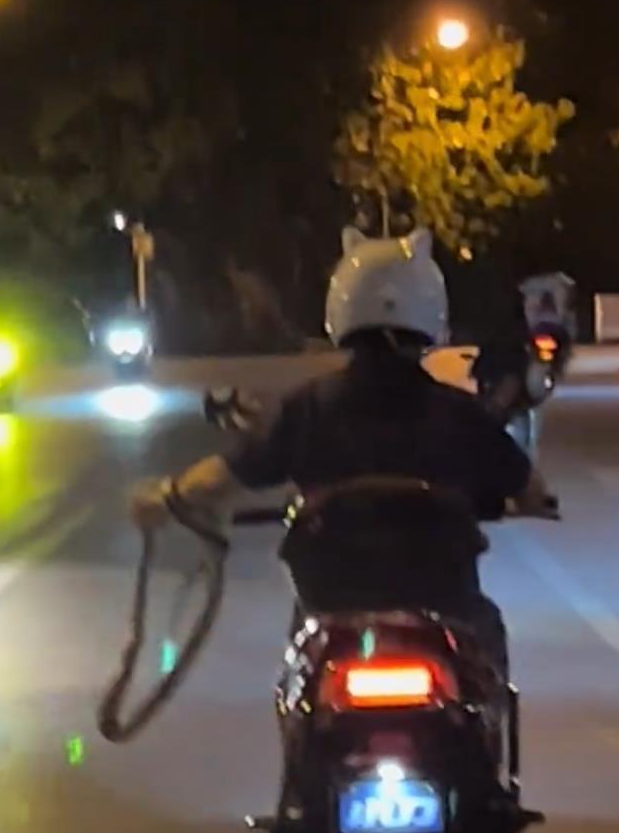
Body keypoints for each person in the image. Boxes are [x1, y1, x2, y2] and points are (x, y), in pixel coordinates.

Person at [132, 230, 555, 681]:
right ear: (432, 311)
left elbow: (223, 477)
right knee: (487, 645)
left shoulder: (307, 409)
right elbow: (531, 488)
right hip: (443, 603)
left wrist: (166, 496)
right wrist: (524, 503)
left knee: (299, 669)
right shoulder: (462, 414)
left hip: (330, 605)